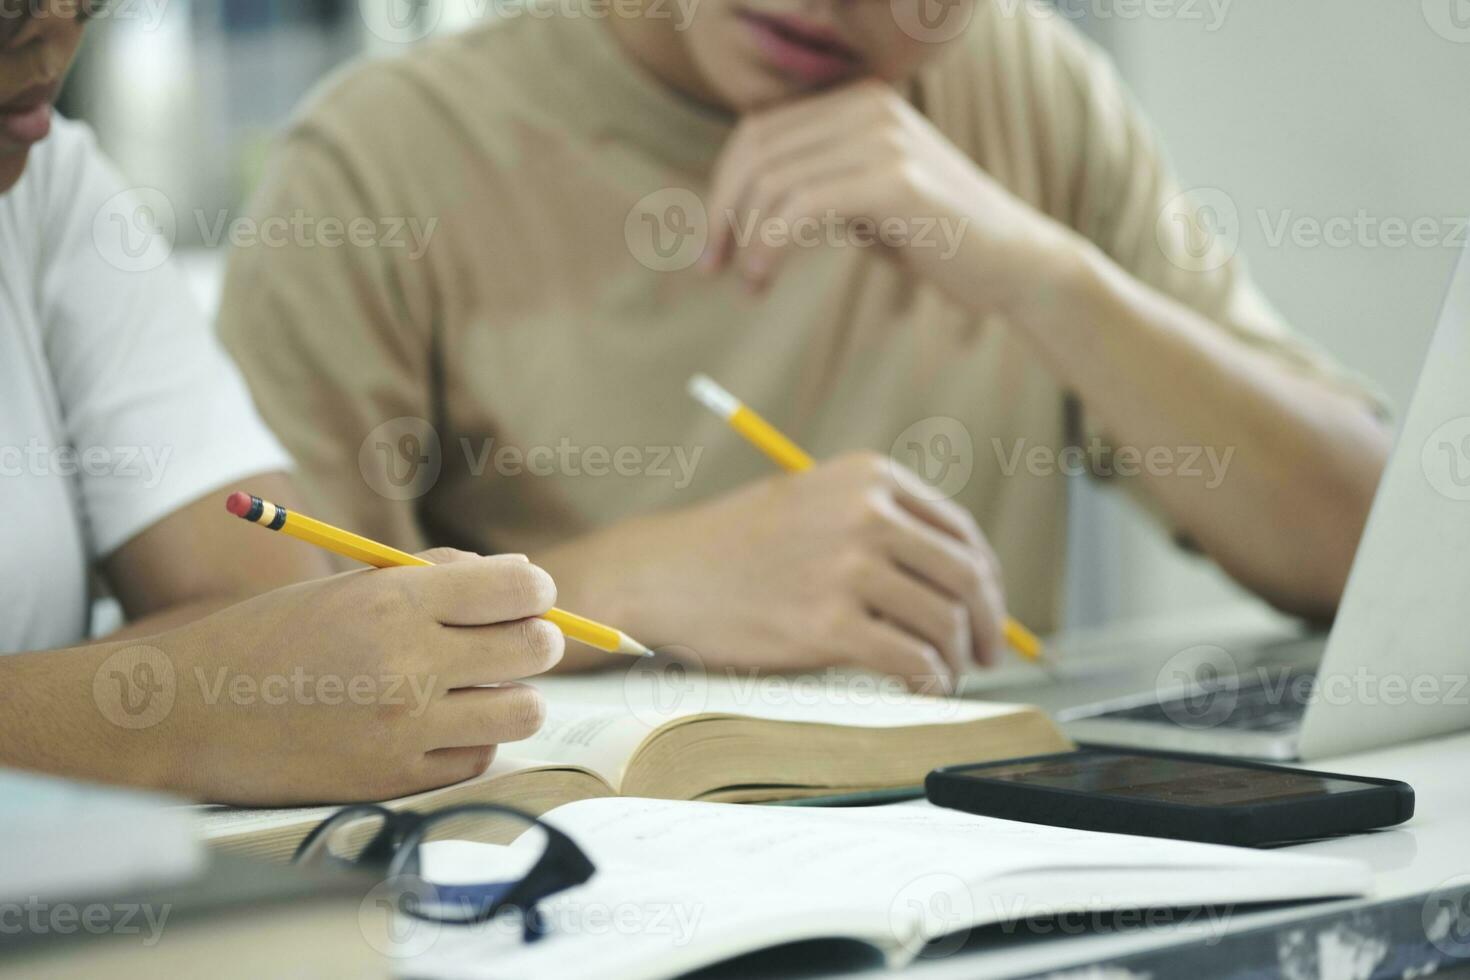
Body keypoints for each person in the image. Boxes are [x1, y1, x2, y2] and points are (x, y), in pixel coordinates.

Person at [217, 0, 1392, 691]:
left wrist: (1047, 275)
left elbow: (1377, 555)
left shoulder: (1025, 88)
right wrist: (628, 590)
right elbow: (275, 681)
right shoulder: (375, 164)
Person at [0, 1, 562, 805]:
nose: (56, 29)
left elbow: (265, 614)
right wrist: (178, 712)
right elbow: (245, 680)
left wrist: (94, 716)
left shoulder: (47, 176)